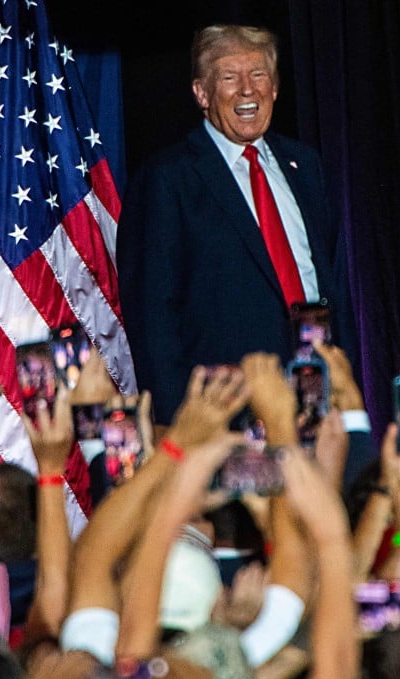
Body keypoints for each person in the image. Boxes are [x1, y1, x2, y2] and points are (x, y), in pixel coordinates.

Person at [116, 23, 358, 427]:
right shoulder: (167, 180)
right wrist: (185, 432)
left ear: (275, 87)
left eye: (258, 74)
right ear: (202, 93)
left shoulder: (305, 166)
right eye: (229, 77)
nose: (247, 89)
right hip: (229, 417)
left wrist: (348, 397)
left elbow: (330, 285)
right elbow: (153, 320)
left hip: (319, 405)